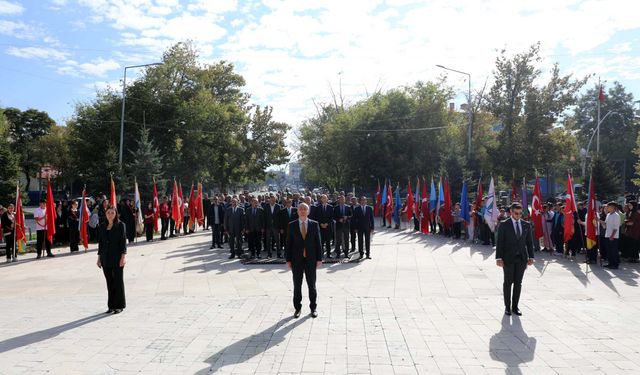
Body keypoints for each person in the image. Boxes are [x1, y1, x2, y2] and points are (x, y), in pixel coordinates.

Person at [496, 202, 535, 316]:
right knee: (508, 283)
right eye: (516, 213)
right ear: (511, 212)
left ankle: (515, 307)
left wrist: (531, 257)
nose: (518, 216)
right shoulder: (504, 224)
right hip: (508, 258)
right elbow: (500, 242)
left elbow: (529, 242)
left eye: (520, 213)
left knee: (518, 283)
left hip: (521, 259)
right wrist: (498, 258)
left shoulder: (526, 225)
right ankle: (507, 307)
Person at [286, 203, 322, 318]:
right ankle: (297, 308)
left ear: (308, 211)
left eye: (305, 209)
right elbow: (288, 244)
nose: (302, 210)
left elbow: (318, 242)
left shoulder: (314, 224)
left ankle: (313, 308)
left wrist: (319, 259)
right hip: (296, 260)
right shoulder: (291, 225)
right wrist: (288, 260)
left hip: (311, 259)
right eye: (300, 209)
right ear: (297, 211)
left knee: (312, 285)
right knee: (297, 285)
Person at [96, 206, 127, 314]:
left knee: (118, 281)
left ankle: (119, 305)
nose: (110, 214)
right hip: (105, 258)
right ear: (105, 214)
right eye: (108, 212)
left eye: (112, 213)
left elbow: (123, 243)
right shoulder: (102, 226)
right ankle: (111, 305)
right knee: (109, 282)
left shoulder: (121, 225)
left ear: (116, 214)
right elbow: (101, 243)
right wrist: (99, 258)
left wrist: (123, 257)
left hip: (117, 257)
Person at [600, 202, 620, 269]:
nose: (607, 208)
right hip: (607, 235)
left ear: (613, 207)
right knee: (609, 251)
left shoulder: (616, 215)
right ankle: (610, 263)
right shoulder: (608, 215)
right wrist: (599, 220)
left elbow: (616, 227)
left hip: (613, 236)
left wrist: (612, 236)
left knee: (613, 251)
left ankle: (615, 264)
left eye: (608, 207)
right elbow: (605, 224)